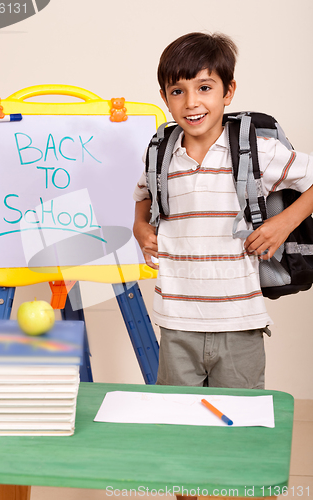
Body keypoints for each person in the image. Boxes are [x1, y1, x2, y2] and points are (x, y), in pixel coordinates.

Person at [132, 32, 313, 500]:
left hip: (239, 320)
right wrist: (139, 226)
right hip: (176, 321)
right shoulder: (161, 150)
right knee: (182, 435)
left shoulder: (254, 149)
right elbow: (142, 195)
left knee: (239, 441)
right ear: (165, 97)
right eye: (178, 90)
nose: (191, 102)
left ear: (228, 92)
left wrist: (285, 225)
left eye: (204, 87)